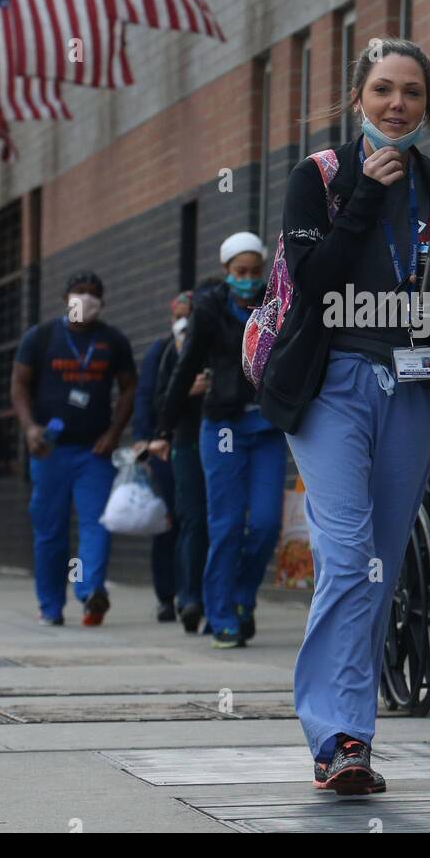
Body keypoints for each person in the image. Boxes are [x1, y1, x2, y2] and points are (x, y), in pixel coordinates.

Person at [257, 36, 430, 794]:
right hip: (333, 381)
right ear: (360, 99)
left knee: (379, 566)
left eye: (411, 93)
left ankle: (354, 732)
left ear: (427, 105)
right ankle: (337, 736)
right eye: (383, 90)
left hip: (413, 385)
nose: (396, 104)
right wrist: (365, 203)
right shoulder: (319, 177)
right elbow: (313, 279)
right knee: (348, 556)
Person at [149, 235, 286, 650]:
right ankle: (221, 613)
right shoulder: (208, 309)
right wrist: (163, 429)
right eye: (239, 273)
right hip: (222, 427)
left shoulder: (275, 303)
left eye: (254, 272)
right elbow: (186, 365)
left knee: (264, 524)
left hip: (265, 426)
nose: (248, 280)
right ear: (226, 270)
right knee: (225, 525)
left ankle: (243, 597)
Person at [12, 272, 137, 626]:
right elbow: (19, 385)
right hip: (50, 451)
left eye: (94, 294)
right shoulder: (40, 337)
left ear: (103, 301)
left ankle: (89, 591)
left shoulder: (112, 341)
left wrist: (114, 432)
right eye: (79, 293)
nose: (86, 299)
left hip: (93, 451)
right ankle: (50, 606)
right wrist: (29, 427)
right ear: (65, 297)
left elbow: (130, 388)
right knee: (50, 531)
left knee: (97, 523)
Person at [132, 293, 202, 624]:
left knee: (196, 519)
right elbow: (146, 396)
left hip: (203, 443)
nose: (183, 321)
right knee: (169, 522)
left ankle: (194, 592)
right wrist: (145, 441)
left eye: (189, 314)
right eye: (179, 315)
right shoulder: (161, 352)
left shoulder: (207, 346)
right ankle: (167, 595)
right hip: (165, 447)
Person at [152, 292, 209, 632]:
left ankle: (217, 599)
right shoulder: (168, 352)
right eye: (180, 315)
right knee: (191, 520)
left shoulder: (216, 341)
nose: (185, 321)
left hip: (220, 441)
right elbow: (158, 398)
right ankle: (186, 598)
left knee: (222, 523)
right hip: (184, 443)